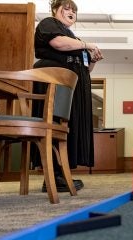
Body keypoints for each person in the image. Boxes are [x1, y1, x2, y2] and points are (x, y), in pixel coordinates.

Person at [32, 0, 103, 192]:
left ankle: (62, 173)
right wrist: (87, 44)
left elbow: (85, 69)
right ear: (55, 10)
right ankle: (52, 177)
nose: (71, 11)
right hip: (55, 83)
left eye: (74, 10)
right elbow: (58, 43)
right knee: (54, 125)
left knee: (66, 129)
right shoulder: (49, 23)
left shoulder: (74, 37)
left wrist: (93, 59)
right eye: (67, 8)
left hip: (71, 86)